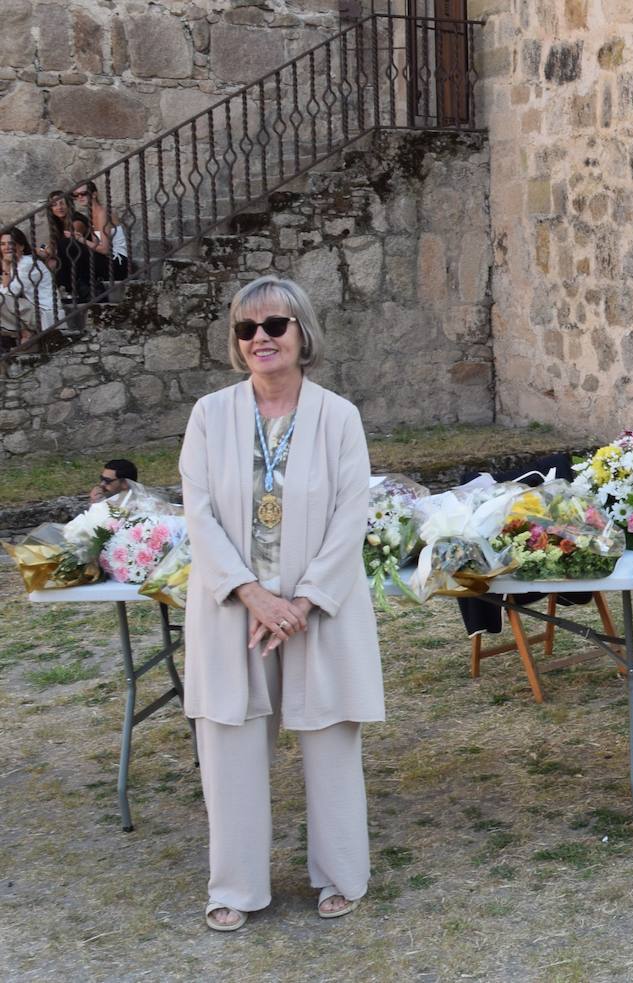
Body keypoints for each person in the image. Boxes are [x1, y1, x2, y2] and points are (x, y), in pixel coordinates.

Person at [179, 274, 383, 932]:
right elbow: (199, 514)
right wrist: (251, 593)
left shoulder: (338, 416)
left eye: (274, 325)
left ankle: (341, 874)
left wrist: (304, 600)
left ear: (302, 332)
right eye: (247, 328)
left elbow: (351, 514)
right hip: (234, 609)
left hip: (316, 608)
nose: (260, 338)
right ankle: (236, 886)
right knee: (230, 743)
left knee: (329, 738)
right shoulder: (209, 416)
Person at [1, 227, 57, 347]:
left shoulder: (29, 264)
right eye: (2, 244)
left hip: (44, 314)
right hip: (30, 311)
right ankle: (24, 333)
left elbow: (9, 293)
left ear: (21, 246)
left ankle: (25, 333)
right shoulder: (16, 264)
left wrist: (5, 265)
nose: (7, 247)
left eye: (11, 243)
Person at [73, 181, 130, 281]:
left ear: (94, 194)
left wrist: (81, 240)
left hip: (117, 262)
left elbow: (105, 249)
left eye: (84, 193)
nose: (80, 197)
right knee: (71, 248)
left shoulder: (103, 213)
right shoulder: (91, 214)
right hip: (104, 259)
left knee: (72, 249)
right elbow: (95, 244)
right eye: (76, 195)